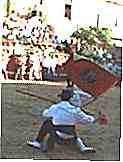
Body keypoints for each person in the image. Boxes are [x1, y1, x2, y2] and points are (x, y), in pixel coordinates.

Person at [27, 88, 103, 153]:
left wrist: (51, 109)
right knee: (71, 129)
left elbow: (45, 114)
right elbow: (87, 119)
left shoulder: (55, 107)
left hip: (57, 136)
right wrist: (94, 119)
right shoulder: (76, 110)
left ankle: (38, 142)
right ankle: (82, 147)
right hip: (71, 137)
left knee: (48, 122)